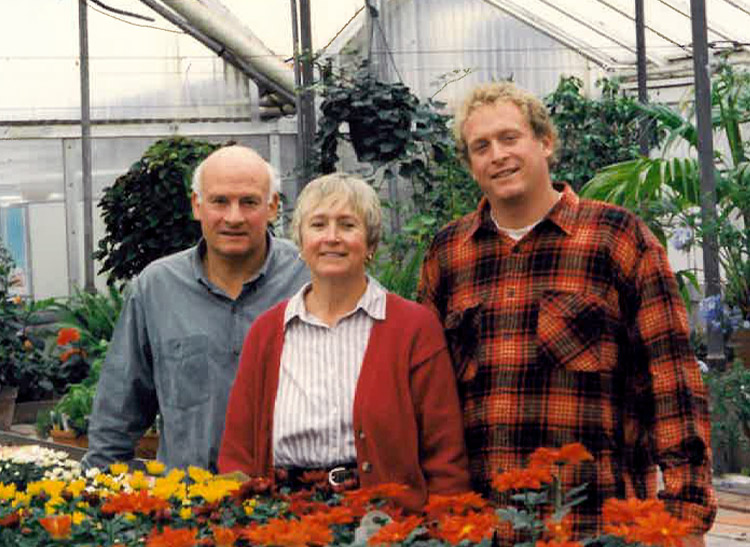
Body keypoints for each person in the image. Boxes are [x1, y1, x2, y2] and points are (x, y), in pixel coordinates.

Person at [417, 82, 716, 543]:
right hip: (482, 529)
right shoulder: (448, 255)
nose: (498, 154)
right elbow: (428, 400)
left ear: (545, 142)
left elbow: (672, 383)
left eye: (510, 138)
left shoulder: (617, 238)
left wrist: (684, 517)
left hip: (597, 525)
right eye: (482, 146)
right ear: (471, 164)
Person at [218, 173, 470, 511]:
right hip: (281, 521)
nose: (331, 238)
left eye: (347, 225)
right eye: (318, 225)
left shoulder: (414, 329)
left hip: (385, 525)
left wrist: (445, 529)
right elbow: (238, 453)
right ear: (301, 241)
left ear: (370, 244)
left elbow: (444, 455)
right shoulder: (266, 333)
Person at [82, 145, 309, 471]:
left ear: (272, 206)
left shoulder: (308, 278)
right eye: (219, 201)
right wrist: (96, 490)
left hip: (293, 503)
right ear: (196, 205)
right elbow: (120, 406)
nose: (233, 217)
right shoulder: (157, 287)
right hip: (190, 505)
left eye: (249, 202)